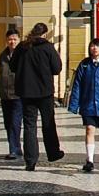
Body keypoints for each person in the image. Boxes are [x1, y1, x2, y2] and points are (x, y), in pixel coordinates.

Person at [11, 22, 64, 172]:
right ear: (45, 34)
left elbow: (13, 66)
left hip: (26, 92)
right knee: (48, 122)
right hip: (45, 92)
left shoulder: (22, 47)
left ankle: (30, 160)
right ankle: (53, 153)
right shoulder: (48, 47)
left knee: (29, 125)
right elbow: (57, 68)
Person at [67, 38, 99, 173]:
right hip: (88, 103)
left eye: (97, 46)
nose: (94, 48)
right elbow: (77, 85)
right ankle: (89, 160)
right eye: (92, 46)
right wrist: (74, 104)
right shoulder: (84, 64)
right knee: (89, 129)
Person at [0, 29, 22, 160]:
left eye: (14, 39)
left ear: (19, 40)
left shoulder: (23, 55)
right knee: (8, 123)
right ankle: (15, 148)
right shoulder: (2, 55)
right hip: (5, 95)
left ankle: (14, 150)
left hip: (18, 95)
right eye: (10, 39)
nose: (12, 42)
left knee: (15, 122)